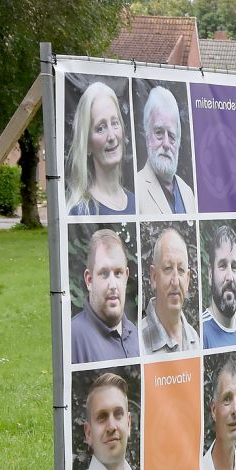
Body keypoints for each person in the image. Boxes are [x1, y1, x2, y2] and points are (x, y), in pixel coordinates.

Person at [69, 373, 143, 470]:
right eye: (102, 417)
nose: (111, 427)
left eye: (118, 414)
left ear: (128, 424)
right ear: (88, 433)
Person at [66, 81, 135, 215]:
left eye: (115, 123)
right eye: (100, 128)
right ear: (87, 145)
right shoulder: (80, 213)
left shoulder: (138, 205)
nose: (111, 136)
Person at [71, 229, 139, 363]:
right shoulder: (73, 338)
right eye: (104, 274)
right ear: (89, 280)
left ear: (126, 276)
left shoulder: (134, 332)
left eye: (118, 273)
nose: (113, 285)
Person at [136, 86, 196, 215]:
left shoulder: (188, 193)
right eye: (159, 133)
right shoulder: (134, 188)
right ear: (147, 137)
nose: (166, 144)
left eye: (172, 136)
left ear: (178, 143)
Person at [140, 228, 199, 354]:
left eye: (181, 270)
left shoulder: (195, 339)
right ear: (154, 277)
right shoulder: (138, 341)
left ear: (188, 279)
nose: (176, 281)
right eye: (168, 268)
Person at [202, 225, 236, 349]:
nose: (230, 277)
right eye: (222, 266)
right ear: (210, 273)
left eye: (234, 267)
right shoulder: (201, 330)